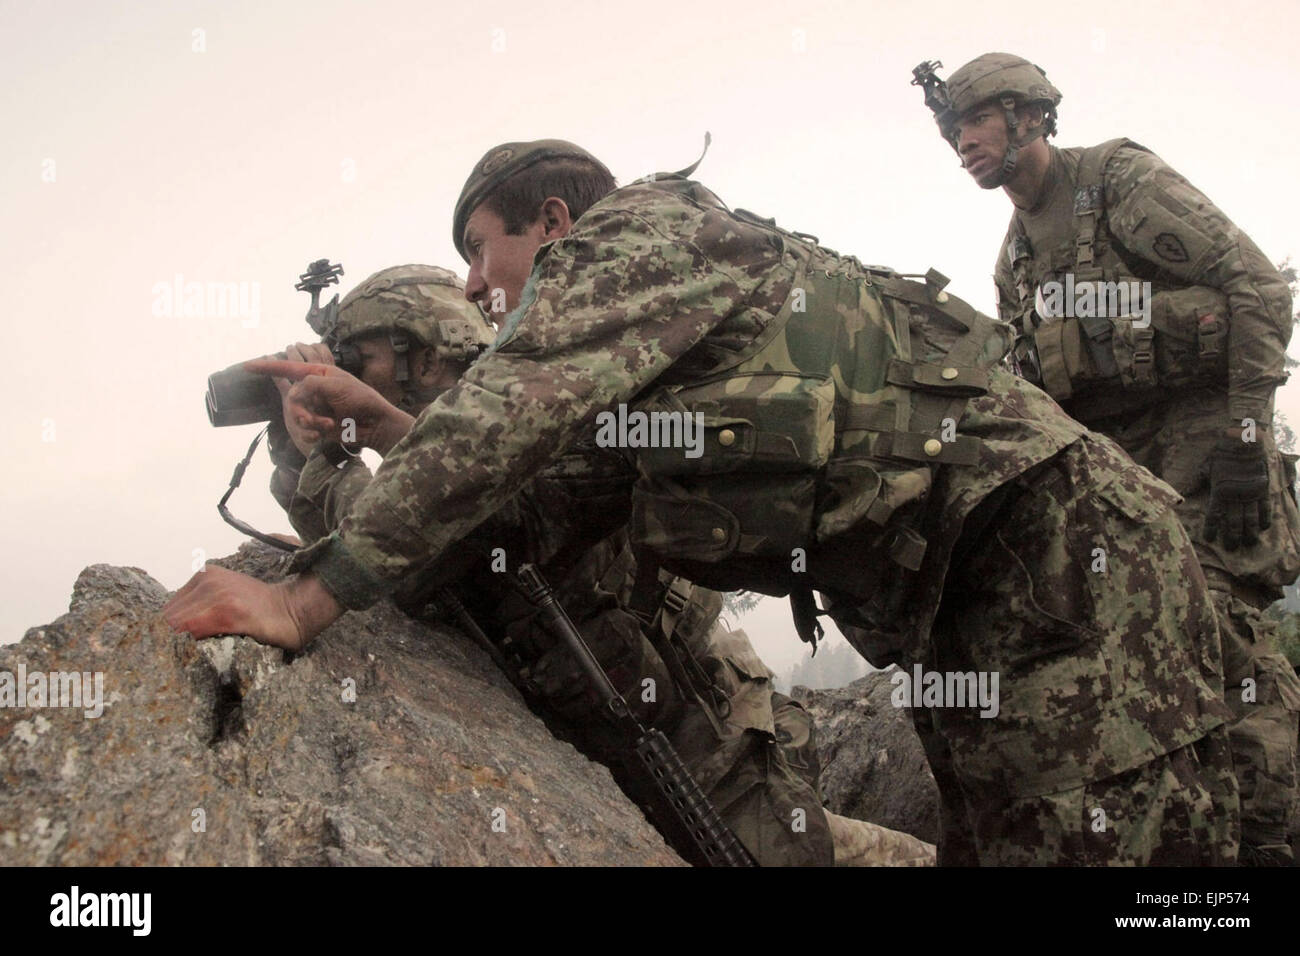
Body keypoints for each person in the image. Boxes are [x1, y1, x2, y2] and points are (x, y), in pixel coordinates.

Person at [166, 138, 1238, 865]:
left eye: (481, 254)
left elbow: (512, 409)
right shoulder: (627, 378)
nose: (481, 291)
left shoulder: (642, 232)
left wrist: (310, 599)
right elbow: (530, 507)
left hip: (1049, 555)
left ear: (551, 220)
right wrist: (353, 436)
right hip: (971, 602)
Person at [255, 262, 923, 866]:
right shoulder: (452, 437)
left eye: (357, 360)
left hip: (693, 715)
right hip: (632, 708)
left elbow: (413, 557)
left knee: (787, 857)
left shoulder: (515, 414)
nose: (346, 379)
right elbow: (376, 532)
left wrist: (324, 456)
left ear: (421, 354)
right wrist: (302, 450)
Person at [917, 52, 1300, 864]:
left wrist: (1244, 436)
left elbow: (1261, 290)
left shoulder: (1118, 183)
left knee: (1226, 649)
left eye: (975, 122)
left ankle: (1272, 843)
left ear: (1028, 117)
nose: (962, 145)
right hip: (1134, 482)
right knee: (1156, 667)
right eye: (952, 131)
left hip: (1208, 450)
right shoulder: (1013, 259)